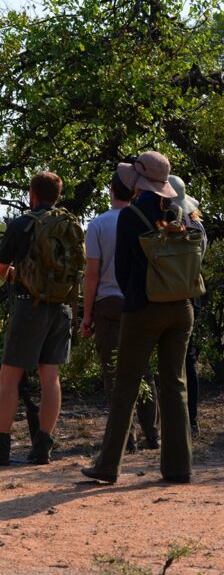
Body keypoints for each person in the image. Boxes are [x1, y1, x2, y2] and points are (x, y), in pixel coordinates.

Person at [82, 152, 195, 484]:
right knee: (175, 385)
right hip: (182, 306)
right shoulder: (187, 211)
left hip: (142, 308)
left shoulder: (130, 215)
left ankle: (108, 465)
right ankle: (179, 467)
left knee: (126, 386)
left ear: (139, 182)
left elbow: (122, 270)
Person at [0, 171, 81, 466]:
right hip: (62, 306)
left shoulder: (22, 224)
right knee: (50, 377)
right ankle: (43, 445)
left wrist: (16, 275)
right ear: (58, 194)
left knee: (9, 377)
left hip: (31, 307)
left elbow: (0, 268)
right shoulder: (70, 224)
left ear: (32, 193)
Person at [80, 172, 159, 451]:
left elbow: (92, 274)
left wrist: (86, 316)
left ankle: (126, 437)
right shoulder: (145, 219)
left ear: (111, 189)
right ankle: (154, 433)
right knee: (142, 368)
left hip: (108, 303)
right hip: (140, 301)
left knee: (114, 371)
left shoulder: (98, 224)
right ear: (135, 191)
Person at [169, 174, 207, 435]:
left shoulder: (173, 221)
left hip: (171, 292)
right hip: (192, 290)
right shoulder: (197, 222)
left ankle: (177, 420)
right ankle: (190, 421)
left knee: (173, 360)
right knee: (188, 359)